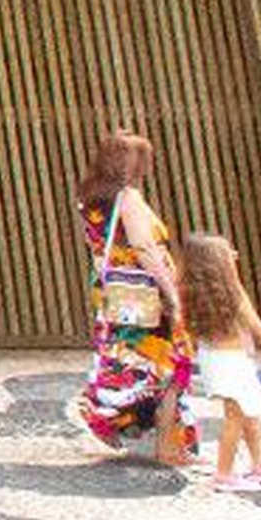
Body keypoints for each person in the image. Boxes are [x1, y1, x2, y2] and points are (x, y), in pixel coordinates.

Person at [69, 128, 196, 465]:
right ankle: (170, 446)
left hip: (114, 290)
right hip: (144, 290)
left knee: (122, 358)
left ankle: (111, 413)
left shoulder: (89, 200)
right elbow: (143, 246)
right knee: (170, 365)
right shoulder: (128, 198)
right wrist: (172, 292)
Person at [176, 232, 261, 493]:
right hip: (232, 362)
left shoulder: (193, 294)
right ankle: (224, 473)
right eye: (228, 253)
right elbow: (258, 329)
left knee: (250, 413)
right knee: (236, 416)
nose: (235, 256)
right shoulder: (233, 294)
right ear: (218, 264)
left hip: (216, 360)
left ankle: (258, 463)